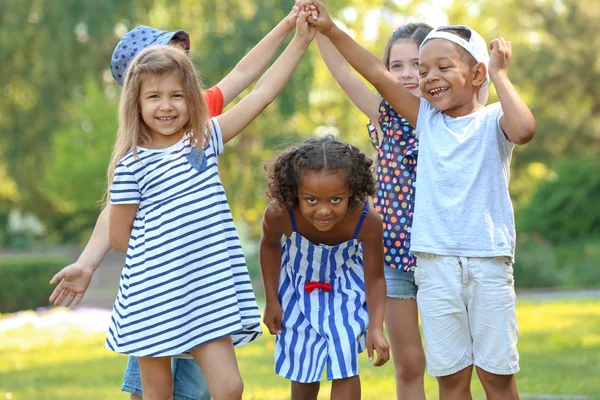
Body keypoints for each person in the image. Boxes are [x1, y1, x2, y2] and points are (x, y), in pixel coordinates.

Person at [49, 7, 300, 400]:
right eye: (154, 96)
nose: (166, 105)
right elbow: (118, 232)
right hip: (156, 293)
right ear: (136, 99)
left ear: (189, 94)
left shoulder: (203, 139)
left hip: (207, 287)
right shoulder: (131, 164)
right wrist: (97, 262)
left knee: (230, 387)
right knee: (155, 393)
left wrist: (299, 36)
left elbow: (260, 91)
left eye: (176, 95)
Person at [302, 2, 536, 399]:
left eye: (441, 67)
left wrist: (499, 75)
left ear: (476, 73)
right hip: (433, 264)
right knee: (451, 379)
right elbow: (374, 72)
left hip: (486, 262)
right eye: (422, 70)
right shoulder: (423, 119)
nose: (427, 77)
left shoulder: (492, 120)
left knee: (496, 377)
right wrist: (330, 29)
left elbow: (525, 129)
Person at [314, 22, 431, 399]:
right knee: (410, 363)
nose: (407, 74)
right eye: (396, 66)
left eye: (417, 64)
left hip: (443, 253)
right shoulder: (385, 116)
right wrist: (319, 30)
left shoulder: (447, 118)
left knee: (455, 361)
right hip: (396, 257)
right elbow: (345, 73)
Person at [260, 136, 391, 400]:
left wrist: (376, 327)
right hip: (297, 291)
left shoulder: (367, 221)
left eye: (335, 200)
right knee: (304, 367)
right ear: (294, 192)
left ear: (352, 191)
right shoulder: (280, 213)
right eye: (311, 200)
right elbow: (270, 247)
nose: (323, 211)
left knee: (344, 361)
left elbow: (375, 278)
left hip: (345, 291)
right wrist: (272, 300)